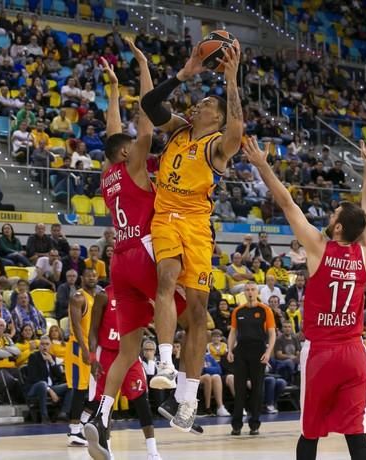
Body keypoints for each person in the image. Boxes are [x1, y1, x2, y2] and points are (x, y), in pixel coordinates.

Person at [85, 47, 199, 459]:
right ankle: (173, 385)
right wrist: (146, 70)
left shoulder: (108, 175)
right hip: (145, 253)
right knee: (193, 318)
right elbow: (146, 118)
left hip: (118, 261)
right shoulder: (133, 167)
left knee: (128, 351)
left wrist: (114, 93)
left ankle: (100, 416)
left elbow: (114, 133)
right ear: (125, 154)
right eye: (133, 147)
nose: (140, 147)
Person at [243, 129, 366, 460]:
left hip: (322, 353)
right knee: (356, 430)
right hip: (354, 352)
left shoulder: (319, 249)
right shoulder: (365, 252)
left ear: (337, 229)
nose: (330, 214)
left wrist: (263, 166)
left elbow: (287, 203)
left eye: (334, 214)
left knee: (310, 432)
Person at [140, 41, 243, 431]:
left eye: (206, 105)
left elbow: (237, 131)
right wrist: (183, 74)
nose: (198, 105)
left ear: (215, 118)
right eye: (198, 102)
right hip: (165, 215)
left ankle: (186, 400)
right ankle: (165, 360)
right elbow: (150, 106)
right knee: (166, 277)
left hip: (198, 225)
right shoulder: (179, 130)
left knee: (199, 313)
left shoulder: (216, 145)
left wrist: (231, 82)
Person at [85, 285, 162, 460]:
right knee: (105, 405)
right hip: (106, 354)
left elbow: (155, 323)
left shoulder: (141, 296)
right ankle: (107, 451)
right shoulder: (103, 296)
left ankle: (153, 452)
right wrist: (92, 358)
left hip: (131, 354)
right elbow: (93, 330)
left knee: (142, 401)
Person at [227, 282, 276, 436]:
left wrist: (268, 352)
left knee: (257, 389)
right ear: (244, 293)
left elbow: (272, 333)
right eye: (247, 290)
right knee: (239, 388)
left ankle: (254, 424)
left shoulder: (265, 310)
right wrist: (230, 350)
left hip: (258, 351)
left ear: (257, 292)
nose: (250, 292)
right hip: (241, 351)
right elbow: (233, 332)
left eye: (252, 289)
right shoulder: (238, 311)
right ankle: (236, 425)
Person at [65, 268, 104, 447]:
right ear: (82, 278)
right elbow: (76, 326)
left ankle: (82, 423)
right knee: (80, 390)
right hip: (78, 348)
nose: (91, 278)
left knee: (98, 389)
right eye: (88, 275)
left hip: (93, 348)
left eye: (94, 275)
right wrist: (84, 349)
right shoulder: (78, 297)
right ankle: (73, 431)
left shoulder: (97, 298)